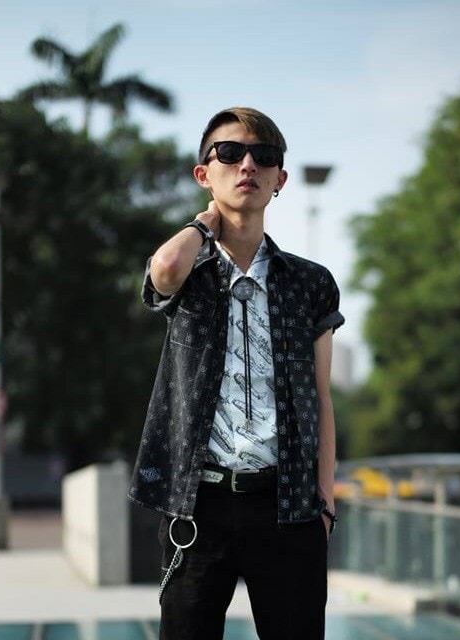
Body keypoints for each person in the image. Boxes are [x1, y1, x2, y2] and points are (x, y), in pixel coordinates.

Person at [128, 107, 344, 640]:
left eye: (263, 157)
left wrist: (325, 504)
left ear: (280, 179)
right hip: (198, 505)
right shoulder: (190, 272)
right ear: (204, 173)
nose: (248, 165)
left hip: (287, 504)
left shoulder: (310, 283)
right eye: (230, 153)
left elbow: (322, 398)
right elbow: (164, 271)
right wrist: (204, 224)